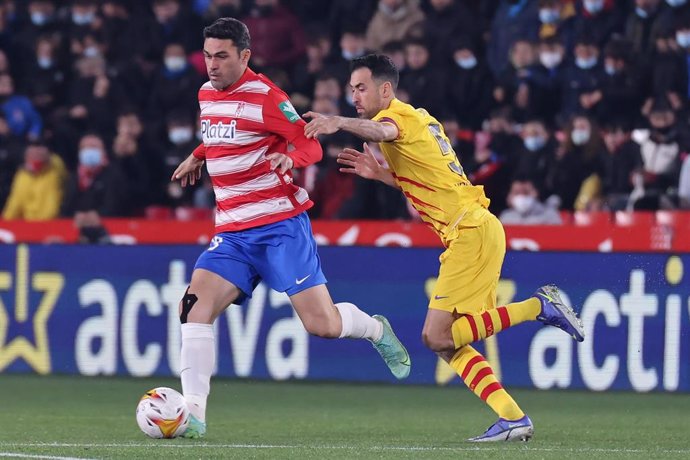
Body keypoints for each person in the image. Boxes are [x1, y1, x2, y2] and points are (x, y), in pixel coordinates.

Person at [303, 54, 585, 442]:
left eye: (361, 87)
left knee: (437, 337)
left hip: (469, 232)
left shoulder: (398, 119)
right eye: (351, 88)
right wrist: (384, 175)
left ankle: (540, 306)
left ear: (386, 89)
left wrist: (338, 123)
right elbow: (430, 180)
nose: (354, 94)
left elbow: (381, 131)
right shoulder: (421, 120)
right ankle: (512, 417)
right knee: (449, 340)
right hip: (474, 230)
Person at [170, 18, 410, 439]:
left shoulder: (267, 96)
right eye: (208, 55)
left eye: (222, 56)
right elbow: (223, 133)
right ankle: (193, 413)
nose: (212, 65)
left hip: (279, 226)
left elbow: (310, 142)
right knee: (193, 306)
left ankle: (374, 327)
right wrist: (198, 154)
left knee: (323, 326)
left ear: (245, 56)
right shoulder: (206, 93)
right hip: (233, 232)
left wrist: (290, 159)